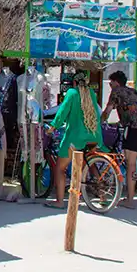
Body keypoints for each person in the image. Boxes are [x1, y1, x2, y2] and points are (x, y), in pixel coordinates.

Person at [46, 71, 104, 209]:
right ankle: (104, 196)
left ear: (74, 83)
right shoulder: (91, 94)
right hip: (94, 137)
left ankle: (60, 201)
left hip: (75, 138)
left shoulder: (72, 93)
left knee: (60, 168)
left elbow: (61, 113)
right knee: (89, 164)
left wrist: (52, 128)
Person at [101, 70, 137, 208]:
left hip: (133, 128)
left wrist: (99, 123)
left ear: (116, 82)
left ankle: (130, 199)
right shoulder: (133, 91)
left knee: (131, 164)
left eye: (111, 82)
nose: (110, 85)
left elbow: (107, 111)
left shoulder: (116, 92)